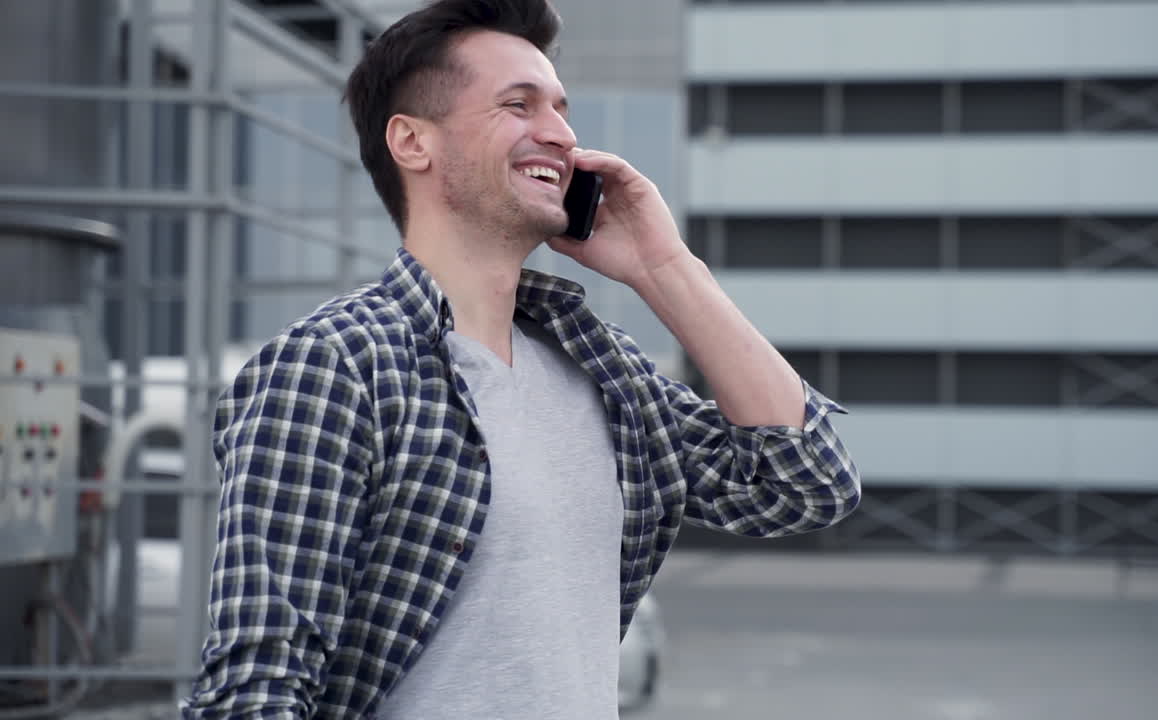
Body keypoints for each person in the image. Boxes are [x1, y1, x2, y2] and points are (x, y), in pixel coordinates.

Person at [181, 0, 859, 717]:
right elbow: (253, 695)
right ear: (412, 142)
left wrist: (663, 267)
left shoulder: (600, 369)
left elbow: (803, 485)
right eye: (519, 104)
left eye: (562, 109)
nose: (561, 135)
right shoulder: (335, 369)